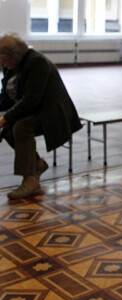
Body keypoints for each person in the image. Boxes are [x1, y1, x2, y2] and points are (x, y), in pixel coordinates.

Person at [0, 33, 82, 199]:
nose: (3, 65)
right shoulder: (11, 67)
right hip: (35, 110)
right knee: (8, 131)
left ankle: (30, 181)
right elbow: (6, 98)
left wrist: (5, 118)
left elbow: (32, 99)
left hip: (52, 112)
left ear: (14, 55)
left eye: (4, 60)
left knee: (21, 126)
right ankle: (36, 164)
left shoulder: (37, 63)